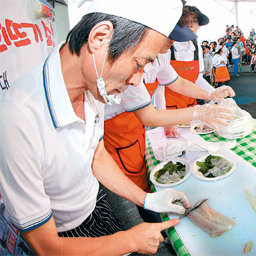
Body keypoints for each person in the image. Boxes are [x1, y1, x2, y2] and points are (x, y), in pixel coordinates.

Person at [0, 0, 194, 255]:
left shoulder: (94, 82)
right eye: (139, 64)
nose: (137, 80)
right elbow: (46, 247)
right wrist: (131, 241)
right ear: (100, 38)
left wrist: (145, 198)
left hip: (95, 206)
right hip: (62, 237)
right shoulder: (18, 118)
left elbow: (96, 153)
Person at [103, 14, 235, 231]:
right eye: (169, 36)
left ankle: (151, 220)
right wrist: (199, 112)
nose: (174, 41)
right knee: (127, 194)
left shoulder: (161, 56)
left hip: (135, 129)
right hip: (117, 132)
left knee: (144, 181)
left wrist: (210, 95)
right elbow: (150, 115)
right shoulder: (133, 61)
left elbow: (178, 83)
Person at [161, 5, 213, 110]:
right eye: (185, 21)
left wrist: (215, 93)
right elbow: (160, 86)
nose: (190, 25)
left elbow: (198, 78)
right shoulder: (166, 47)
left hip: (190, 106)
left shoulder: (196, 47)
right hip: (167, 107)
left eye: (194, 21)